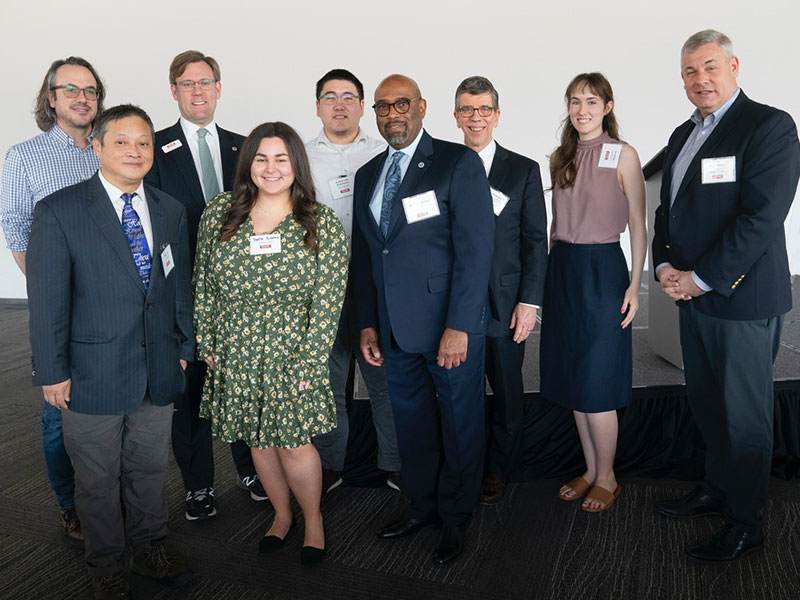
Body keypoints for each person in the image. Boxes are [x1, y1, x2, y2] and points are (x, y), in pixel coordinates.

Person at [27, 104, 194, 600]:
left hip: (158, 366)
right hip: (91, 370)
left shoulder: (168, 209)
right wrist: (52, 370)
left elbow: (178, 284)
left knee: (150, 469)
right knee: (97, 478)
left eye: (143, 142)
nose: (134, 151)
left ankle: (150, 547)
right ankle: (104, 564)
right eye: (121, 141)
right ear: (97, 148)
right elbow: (48, 301)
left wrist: (183, 346)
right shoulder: (60, 210)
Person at [653, 30, 800, 562]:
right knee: (709, 404)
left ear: (734, 66)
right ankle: (719, 488)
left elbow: (760, 218)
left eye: (710, 67)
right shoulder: (680, 134)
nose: (700, 80)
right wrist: (666, 265)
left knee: (745, 415)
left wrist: (701, 278)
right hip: (692, 295)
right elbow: (666, 210)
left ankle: (746, 520)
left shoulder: (769, 126)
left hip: (740, 298)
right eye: (690, 71)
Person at [351, 74, 494, 564]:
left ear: (423, 107)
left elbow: (477, 254)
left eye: (402, 104)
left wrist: (459, 326)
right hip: (394, 330)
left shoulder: (458, 163)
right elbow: (369, 256)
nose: (393, 113)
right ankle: (421, 506)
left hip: (448, 328)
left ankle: (455, 517)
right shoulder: (369, 173)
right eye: (383, 106)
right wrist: (368, 322)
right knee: (411, 424)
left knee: (459, 423)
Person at [193, 122, 348, 565]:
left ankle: (313, 519)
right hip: (236, 347)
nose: (271, 167)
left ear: (296, 165)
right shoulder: (220, 212)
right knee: (258, 441)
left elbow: (328, 300)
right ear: (248, 165)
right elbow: (202, 281)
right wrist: (208, 337)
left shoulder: (320, 222)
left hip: (292, 351)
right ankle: (281, 516)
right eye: (261, 158)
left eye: (281, 158)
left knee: (294, 443)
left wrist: (312, 359)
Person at [145, 50, 264, 521]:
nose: (198, 91)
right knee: (188, 394)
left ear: (219, 88)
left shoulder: (246, 146)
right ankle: (197, 486)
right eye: (187, 83)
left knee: (236, 387)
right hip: (181, 295)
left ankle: (250, 470)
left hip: (237, 297)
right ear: (174, 91)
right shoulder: (152, 148)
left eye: (206, 82)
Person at [1, 56, 106, 544]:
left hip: (116, 305)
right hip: (62, 306)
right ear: (52, 98)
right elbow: (17, 228)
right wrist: (50, 288)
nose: (82, 98)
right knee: (57, 408)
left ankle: (110, 494)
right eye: (71, 90)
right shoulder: (24, 157)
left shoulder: (111, 148)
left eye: (90, 90)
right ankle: (71, 505)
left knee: (112, 405)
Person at [541, 73, 646, 513]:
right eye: (574, 101)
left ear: (607, 106)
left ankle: (608, 476)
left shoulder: (624, 154)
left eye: (590, 101)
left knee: (597, 379)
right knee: (574, 376)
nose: (581, 109)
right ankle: (590, 468)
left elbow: (640, 224)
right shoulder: (560, 157)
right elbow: (554, 224)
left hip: (603, 269)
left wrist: (635, 286)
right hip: (562, 268)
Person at [305, 68, 401, 493]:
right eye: (330, 97)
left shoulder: (386, 154)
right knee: (327, 384)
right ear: (318, 106)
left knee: (383, 380)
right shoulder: (300, 157)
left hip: (377, 288)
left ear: (363, 106)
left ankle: (396, 465)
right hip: (320, 289)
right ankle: (330, 467)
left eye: (348, 96)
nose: (339, 104)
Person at [453, 76, 548, 504]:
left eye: (484, 109)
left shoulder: (522, 169)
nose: (477, 118)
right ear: (456, 116)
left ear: (497, 115)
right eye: (468, 110)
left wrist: (529, 302)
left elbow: (534, 240)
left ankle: (499, 469)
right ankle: (464, 467)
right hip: (454, 305)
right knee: (459, 393)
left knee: (508, 393)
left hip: (506, 304)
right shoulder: (443, 165)